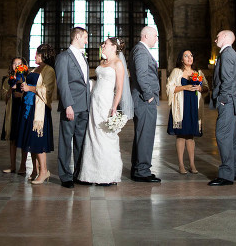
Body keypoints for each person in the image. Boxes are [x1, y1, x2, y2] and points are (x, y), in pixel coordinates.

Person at [77, 37, 131, 185]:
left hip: (107, 102)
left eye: (105, 44)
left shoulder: (118, 64)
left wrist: (114, 107)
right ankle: (90, 174)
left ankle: (107, 175)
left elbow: (119, 88)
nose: (103, 45)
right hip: (95, 101)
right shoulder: (103, 62)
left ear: (114, 47)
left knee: (105, 136)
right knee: (93, 134)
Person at [55, 27, 91, 188]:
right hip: (71, 106)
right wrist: (68, 105)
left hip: (84, 106)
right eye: (85, 37)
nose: (86, 41)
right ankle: (65, 176)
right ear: (77, 37)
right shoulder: (63, 57)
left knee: (81, 141)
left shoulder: (83, 57)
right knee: (66, 141)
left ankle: (79, 174)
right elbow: (62, 84)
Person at [16, 44, 56, 184]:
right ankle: (35, 169)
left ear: (43, 55)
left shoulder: (49, 70)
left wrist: (30, 88)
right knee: (30, 141)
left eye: (37, 54)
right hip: (29, 107)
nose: (35, 57)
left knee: (38, 140)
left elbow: (48, 90)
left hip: (39, 110)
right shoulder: (34, 69)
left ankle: (44, 171)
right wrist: (23, 85)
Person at [209, 30, 236, 186]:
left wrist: (222, 99)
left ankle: (226, 175)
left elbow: (227, 80)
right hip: (231, 101)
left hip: (227, 101)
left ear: (224, 37)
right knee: (232, 139)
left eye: (218, 36)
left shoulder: (227, 54)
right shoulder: (230, 53)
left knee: (223, 136)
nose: (215, 39)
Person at [166, 49, 209, 174]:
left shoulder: (198, 72)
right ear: (181, 59)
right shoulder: (177, 72)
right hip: (181, 105)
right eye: (186, 56)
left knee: (190, 136)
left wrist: (200, 88)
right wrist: (185, 87)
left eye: (191, 55)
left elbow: (206, 87)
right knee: (181, 135)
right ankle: (181, 164)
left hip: (193, 105)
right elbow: (169, 87)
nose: (190, 58)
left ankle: (192, 164)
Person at [130, 26, 161, 183]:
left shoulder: (140, 50)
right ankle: (142, 171)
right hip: (144, 100)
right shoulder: (141, 51)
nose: (157, 39)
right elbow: (142, 76)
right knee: (146, 135)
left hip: (143, 99)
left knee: (142, 134)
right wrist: (149, 96)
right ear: (146, 36)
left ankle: (138, 168)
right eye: (155, 36)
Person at [0, 57, 29, 175]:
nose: (16, 65)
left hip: (23, 110)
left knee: (22, 138)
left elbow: (29, 94)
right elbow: (4, 98)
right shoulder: (8, 79)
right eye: (14, 63)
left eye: (19, 63)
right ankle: (12, 166)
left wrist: (22, 93)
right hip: (12, 110)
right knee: (12, 139)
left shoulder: (26, 79)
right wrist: (10, 91)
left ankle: (23, 166)